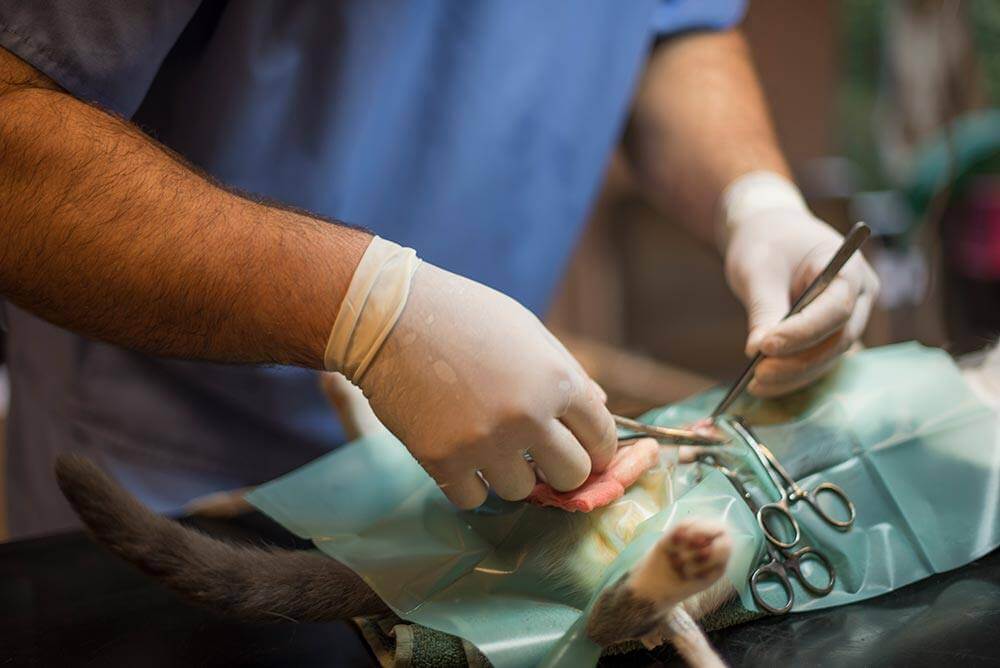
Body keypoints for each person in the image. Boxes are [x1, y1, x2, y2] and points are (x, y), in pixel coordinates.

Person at [0, 1, 879, 538]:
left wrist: (754, 200)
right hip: (179, 474)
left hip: (481, 486)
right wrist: (371, 313)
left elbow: (670, 25)